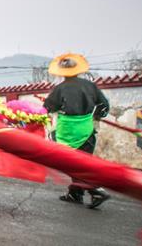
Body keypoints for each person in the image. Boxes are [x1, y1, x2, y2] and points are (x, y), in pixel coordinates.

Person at [44, 53, 111, 208]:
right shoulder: (91, 86)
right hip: (87, 130)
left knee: (71, 164)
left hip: (67, 131)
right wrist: (94, 117)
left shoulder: (60, 89)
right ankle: (75, 194)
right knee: (83, 163)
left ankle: (95, 190)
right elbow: (104, 106)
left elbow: (49, 106)